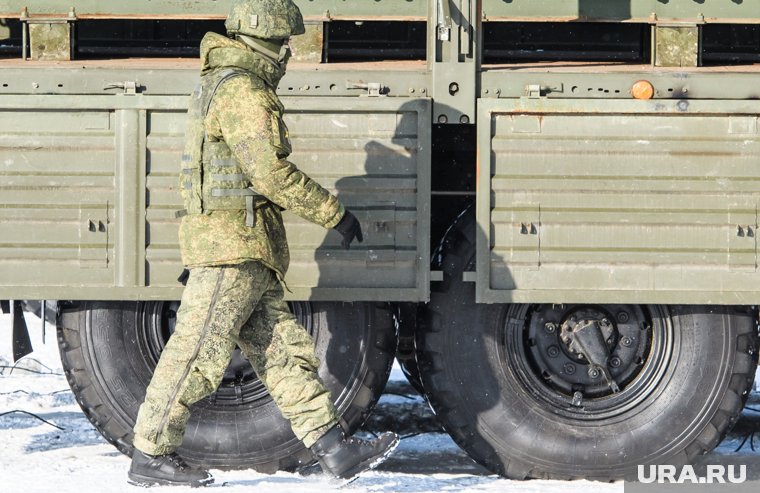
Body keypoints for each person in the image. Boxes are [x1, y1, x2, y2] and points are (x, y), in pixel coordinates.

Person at [127, 0, 399, 486]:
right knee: (196, 352)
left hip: (243, 247)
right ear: (266, 40)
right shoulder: (243, 91)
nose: (290, 52)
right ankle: (149, 454)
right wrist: (332, 213)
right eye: (285, 42)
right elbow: (269, 173)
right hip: (232, 248)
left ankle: (333, 450)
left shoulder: (224, 84)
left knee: (282, 353)